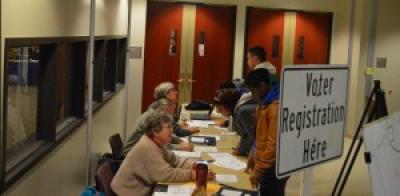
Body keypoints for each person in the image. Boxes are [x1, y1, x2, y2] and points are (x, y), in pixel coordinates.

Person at [112, 112, 215, 196]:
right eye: (168, 127)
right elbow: (167, 175)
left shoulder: (156, 143)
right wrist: (195, 175)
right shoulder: (147, 148)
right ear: (155, 132)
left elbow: (175, 160)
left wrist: (196, 165)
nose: (172, 130)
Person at [244, 69, 289, 196]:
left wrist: (259, 170)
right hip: (266, 164)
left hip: (273, 167)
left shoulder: (275, 107)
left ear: (263, 86)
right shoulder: (265, 102)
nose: (253, 95)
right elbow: (260, 135)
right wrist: (253, 153)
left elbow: (273, 145)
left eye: (254, 91)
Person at [122, 99, 193, 156]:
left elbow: (165, 136)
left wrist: (180, 141)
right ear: (160, 111)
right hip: (130, 154)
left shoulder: (153, 116)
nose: (167, 117)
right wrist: (180, 147)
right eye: (166, 114)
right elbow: (158, 143)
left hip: (139, 152)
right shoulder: (151, 119)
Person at [214, 89, 257, 156]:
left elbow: (253, 136)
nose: (218, 112)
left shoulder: (242, 112)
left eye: (220, 109)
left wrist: (242, 150)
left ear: (228, 106)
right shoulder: (238, 110)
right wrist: (240, 146)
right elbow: (245, 134)